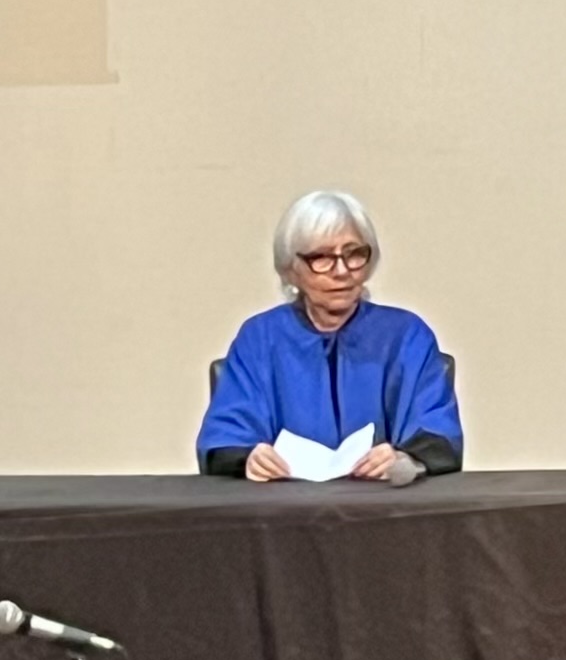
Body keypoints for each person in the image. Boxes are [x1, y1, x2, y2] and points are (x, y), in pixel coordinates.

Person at [198, 191, 464, 481]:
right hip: (281, 512)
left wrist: (404, 458)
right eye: (322, 257)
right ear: (291, 269)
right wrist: (250, 457)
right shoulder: (260, 339)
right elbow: (226, 436)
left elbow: (437, 431)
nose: (342, 271)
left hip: (383, 509)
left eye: (354, 255)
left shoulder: (406, 336)